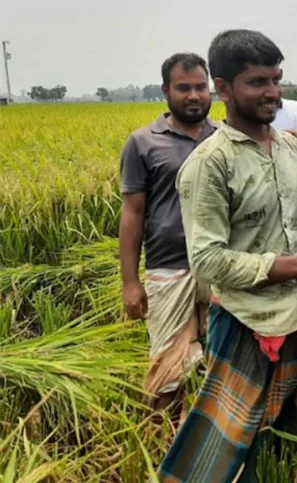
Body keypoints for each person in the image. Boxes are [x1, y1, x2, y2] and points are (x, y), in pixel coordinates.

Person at [158, 29, 297, 482]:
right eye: (257, 82)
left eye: (276, 79)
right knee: (220, 455)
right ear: (224, 88)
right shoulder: (210, 164)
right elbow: (207, 261)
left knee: (283, 445)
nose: (272, 92)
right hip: (246, 324)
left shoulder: (292, 149)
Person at [119, 52, 217, 422]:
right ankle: (161, 438)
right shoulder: (143, 142)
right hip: (169, 267)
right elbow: (133, 213)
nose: (194, 96)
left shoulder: (225, 138)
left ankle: (208, 441)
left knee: (219, 364)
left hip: (222, 266)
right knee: (167, 372)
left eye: (200, 87)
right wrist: (130, 282)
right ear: (165, 90)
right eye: (183, 88)